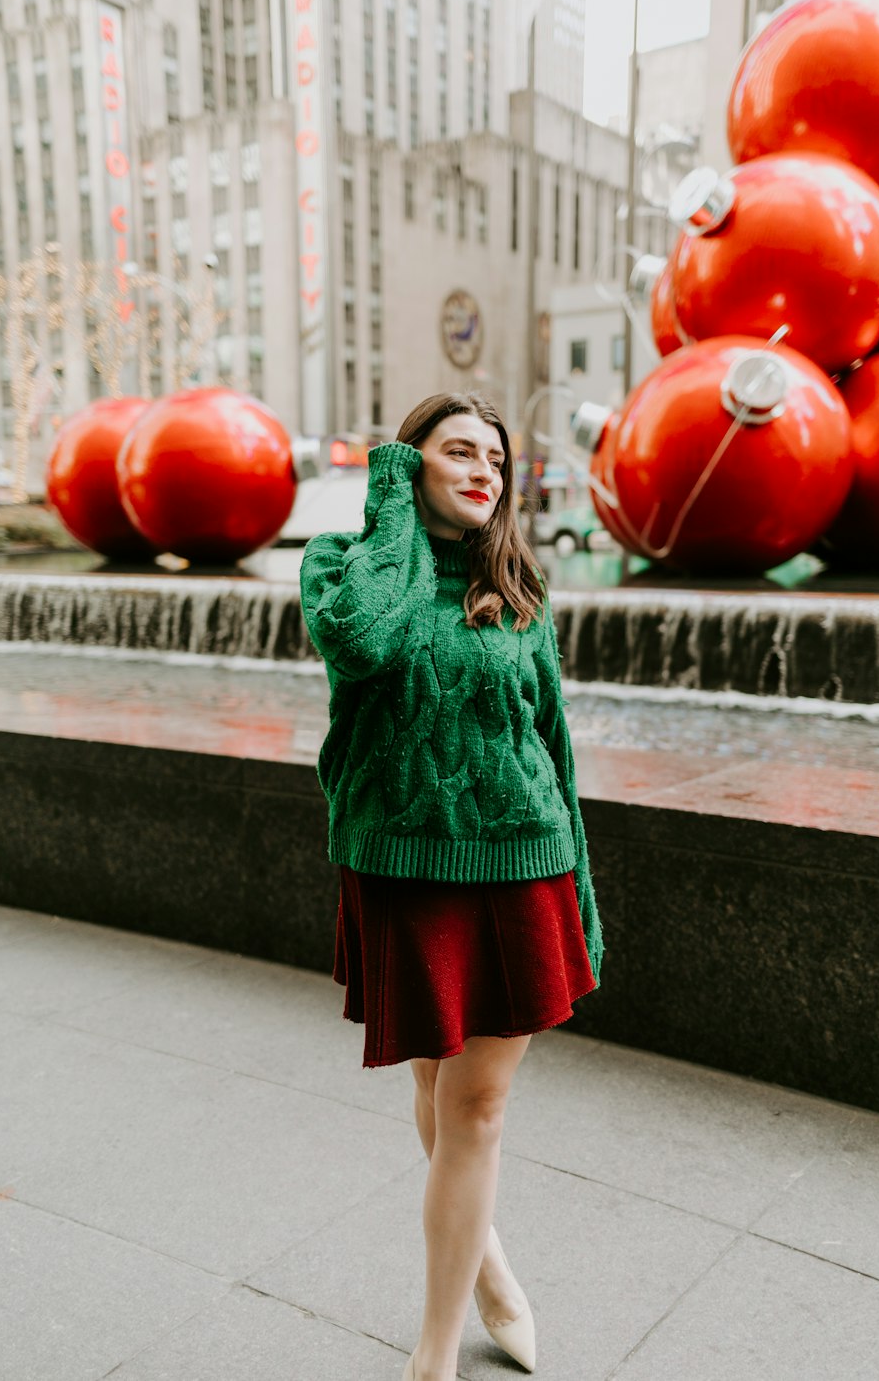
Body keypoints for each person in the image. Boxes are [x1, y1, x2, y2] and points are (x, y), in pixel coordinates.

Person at [299, 391, 604, 1381]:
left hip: (523, 863)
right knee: (437, 1085)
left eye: (497, 459)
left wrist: (584, 901)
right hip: (403, 865)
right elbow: (362, 641)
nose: (484, 471)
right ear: (407, 463)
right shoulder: (344, 568)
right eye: (457, 451)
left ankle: (432, 1358)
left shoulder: (518, 590)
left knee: (475, 1108)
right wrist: (389, 495)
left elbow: (551, 750)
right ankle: (492, 1271)